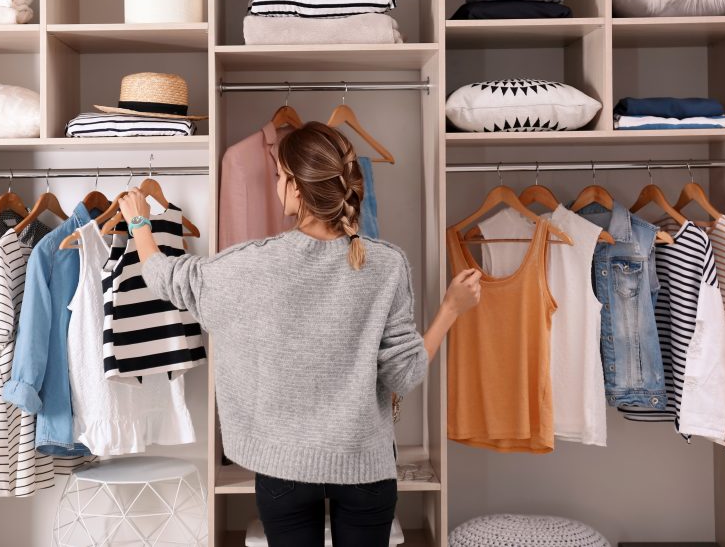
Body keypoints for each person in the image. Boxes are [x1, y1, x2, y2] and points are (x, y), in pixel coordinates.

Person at [118, 121, 481, 547]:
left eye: (278, 177)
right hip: (365, 466)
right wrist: (451, 309)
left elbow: (167, 279)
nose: (276, 186)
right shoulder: (387, 265)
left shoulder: (252, 264)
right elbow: (403, 375)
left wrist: (140, 222)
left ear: (294, 186)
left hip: (283, 468)